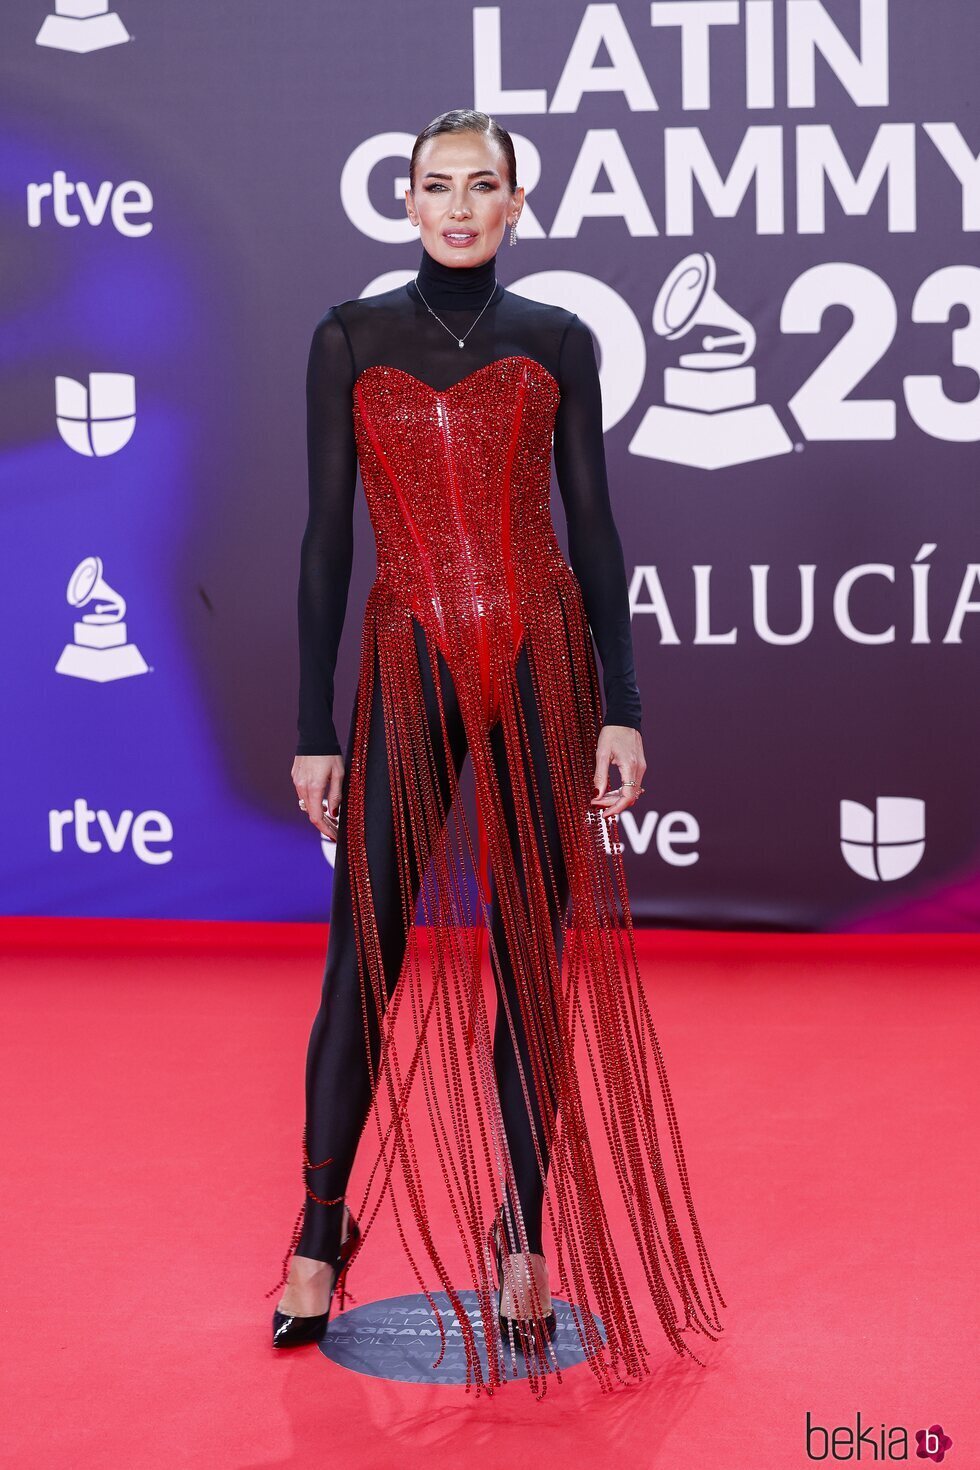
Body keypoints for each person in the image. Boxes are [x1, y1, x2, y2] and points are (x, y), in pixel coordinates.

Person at [268, 109, 726, 1398]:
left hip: (542, 660)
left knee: (532, 953)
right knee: (367, 949)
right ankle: (316, 1237)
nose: (458, 206)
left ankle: (520, 1237)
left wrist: (621, 701)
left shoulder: (558, 340)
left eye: (483, 186)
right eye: (436, 186)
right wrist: (315, 725)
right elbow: (322, 549)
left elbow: (596, 530)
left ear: (517, 204)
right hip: (407, 655)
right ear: (404, 202)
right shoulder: (348, 339)